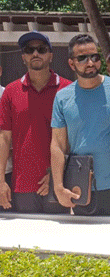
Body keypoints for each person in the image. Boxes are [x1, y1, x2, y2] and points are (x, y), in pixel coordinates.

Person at [50, 34, 110, 216]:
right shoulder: (62, 98)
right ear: (71, 64)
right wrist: (58, 187)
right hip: (80, 186)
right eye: (82, 58)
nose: (90, 63)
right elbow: (58, 145)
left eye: (94, 57)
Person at [0, 31, 71, 213]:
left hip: (59, 183)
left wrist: (56, 176)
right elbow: (4, 138)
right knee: (25, 240)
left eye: (41, 49)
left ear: (50, 55)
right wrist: (0, 181)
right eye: (29, 50)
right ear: (23, 57)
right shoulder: (11, 91)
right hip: (23, 183)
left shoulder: (68, 89)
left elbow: (75, 138)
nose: (35, 54)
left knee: (56, 240)